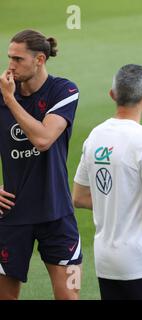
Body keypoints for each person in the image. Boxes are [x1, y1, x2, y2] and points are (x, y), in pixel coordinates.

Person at [72, 64, 142, 300]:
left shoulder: (94, 137)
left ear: (113, 95)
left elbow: (78, 197)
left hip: (106, 262)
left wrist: (117, 201)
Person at [0, 29, 82, 300]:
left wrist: (10, 100)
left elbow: (44, 139)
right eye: (10, 57)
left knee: (69, 297)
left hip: (57, 213)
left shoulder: (65, 90)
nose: (10, 65)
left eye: (18, 59)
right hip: (11, 216)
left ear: (40, 60)